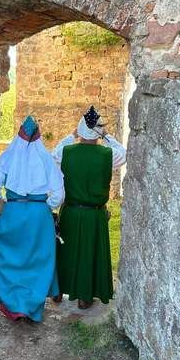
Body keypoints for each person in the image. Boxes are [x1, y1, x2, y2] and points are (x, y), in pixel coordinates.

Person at [0, 116, 65, 322]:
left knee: (11, 258)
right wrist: (45, 207)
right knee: (37, 261)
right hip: (39, 216)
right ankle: (31, 305)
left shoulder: (8, 157)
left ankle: (14, 304)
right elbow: (58, 195)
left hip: (13, 211)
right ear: (38, 136)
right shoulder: (47, 159)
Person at [52, 106, 126, 309]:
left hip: (71, 211)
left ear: (80, 130)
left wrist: (71, 136)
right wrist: (107, 136)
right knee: (88, 254)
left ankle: (57, 291)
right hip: (94, 215)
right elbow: (124, 153)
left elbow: (54, 154)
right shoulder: (108, 154)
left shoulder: (65, 152)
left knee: (66, 251)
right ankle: (84, 297)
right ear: (98, 132)